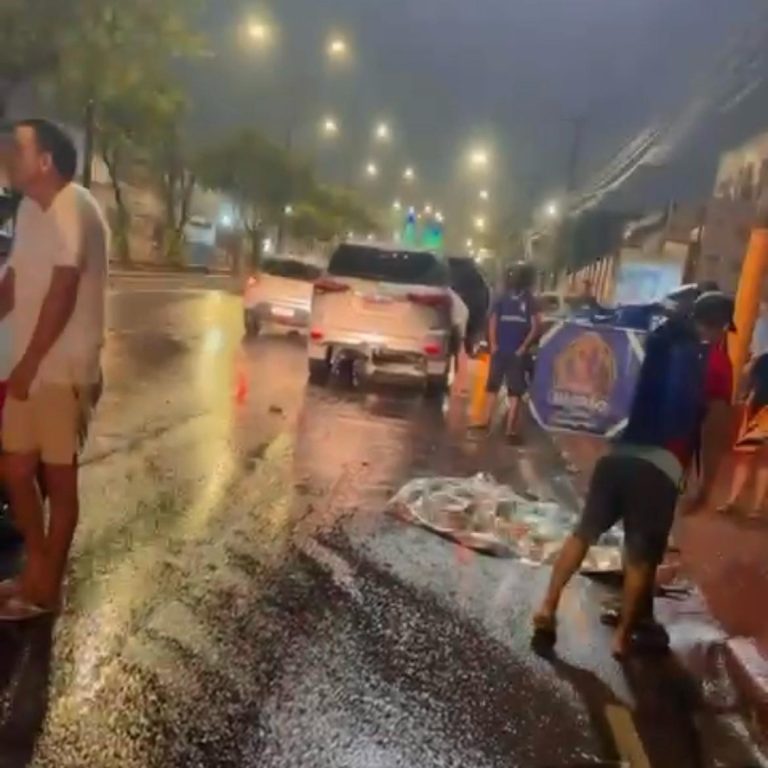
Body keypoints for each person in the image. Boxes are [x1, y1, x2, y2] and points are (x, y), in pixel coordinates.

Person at [533, 292, 734, 657]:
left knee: (583, 533)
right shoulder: (712, 362)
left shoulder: (650, 342)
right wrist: (707, 483)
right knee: (642, 552)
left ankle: (547, 606)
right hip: (660, 467)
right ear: (721, 326)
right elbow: (714, 427)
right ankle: (623, 637)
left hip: (617, 455)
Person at [0, 118, 108, 620]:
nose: (6, 156)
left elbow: (63, 291)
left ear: (45, 161)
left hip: (64, 369)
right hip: (31, 368)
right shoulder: (28, 208)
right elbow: (14, 282)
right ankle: (37, 571)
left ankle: (44, 588)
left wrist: (27, 363)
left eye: (16, 148)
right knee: (15, 469)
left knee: (59, 481)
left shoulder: (75, 206)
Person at [474, 263, 541, 442]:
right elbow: (493, 321)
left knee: (514, 390)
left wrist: (523, 348)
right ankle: (484, 420)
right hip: (501, 350)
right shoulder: (502, 298)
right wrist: (494, 344)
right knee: (492, 386)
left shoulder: (529, 300)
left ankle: (510, 428)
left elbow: (536, 326)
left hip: (516, 353)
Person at [719, 351, 768, 518]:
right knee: (745, 456)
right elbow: (750, 378)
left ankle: (755, 506)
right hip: (755, 410)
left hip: (764, 414)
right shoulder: (762, 360)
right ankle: (733, 500)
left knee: (763, 459)